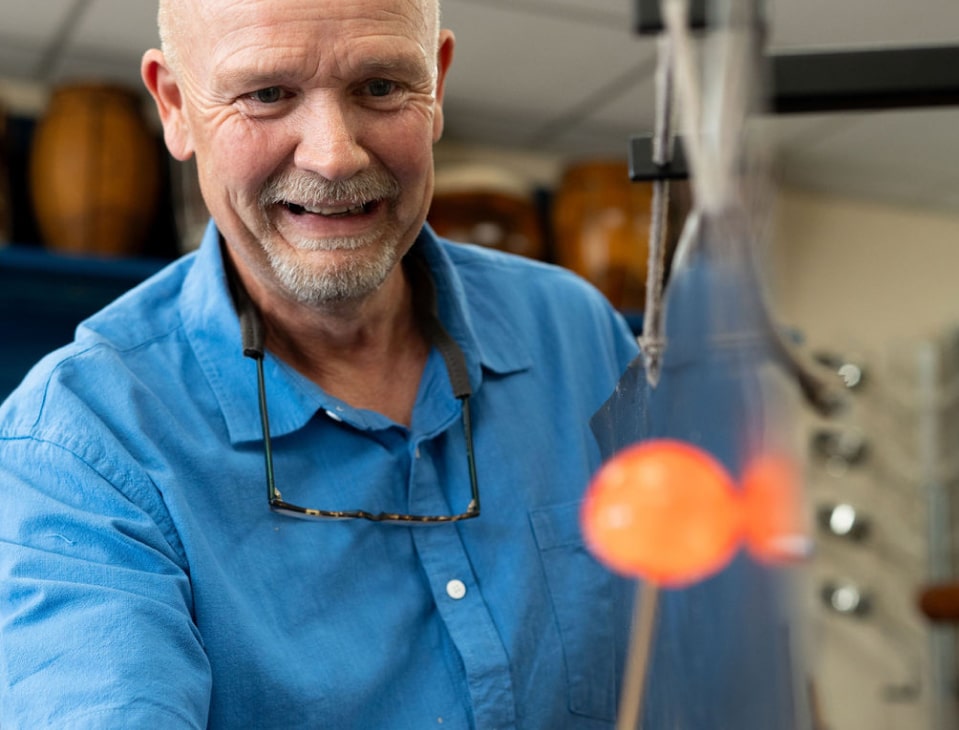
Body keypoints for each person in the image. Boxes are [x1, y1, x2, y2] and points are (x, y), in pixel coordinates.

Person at [0, 0, 640, 727]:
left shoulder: (575, 332)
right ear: (175, 106)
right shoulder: (80, 443)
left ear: (435, 85)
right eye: (267, 95)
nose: (333, 155)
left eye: (379, 87)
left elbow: (698, 629)